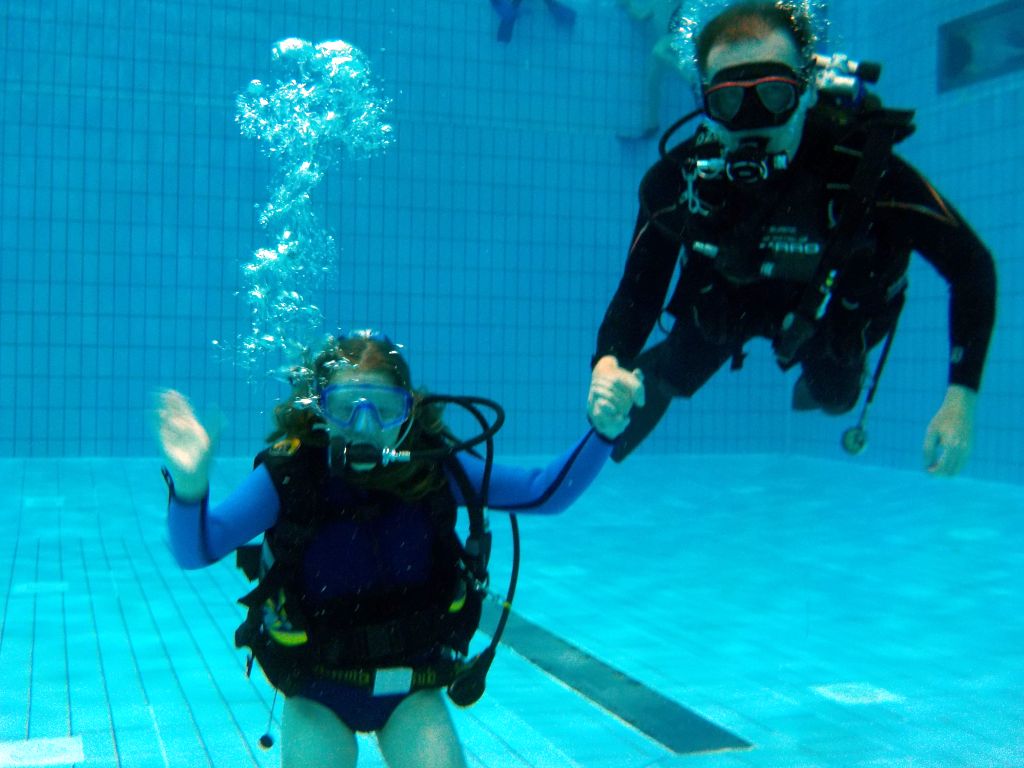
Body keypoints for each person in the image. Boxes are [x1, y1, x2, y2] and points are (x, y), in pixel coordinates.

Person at [157, 330, 617, 768]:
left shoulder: (434, 469)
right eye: (345, 408)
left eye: (384, 409)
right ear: (320, 410)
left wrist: (603, 432)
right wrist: (190, 486)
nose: (365, 427)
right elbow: (198, 550)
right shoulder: (294, 477)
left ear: (409, 411)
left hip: (412, 688)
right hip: (316, 689)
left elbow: (543, 493)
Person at [587, 0, 997, 476]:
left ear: (806, 92)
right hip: (733, 296)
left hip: (830, 305)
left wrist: (961, 397)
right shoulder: (679, 180)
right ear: (706, 103)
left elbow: (970, 265)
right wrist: (608, 363)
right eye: (730, 102)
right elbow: (640, 290)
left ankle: (825, 366)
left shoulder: (864, 169)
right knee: (677, 371)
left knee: (835, 394)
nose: (754, 121)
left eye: (775, 95)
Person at [617, 0, 687, 139]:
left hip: (675, 43)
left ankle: (690, 77)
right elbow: (641, 16)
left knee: (658, 52)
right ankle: (652, 124)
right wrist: (627, 6)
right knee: (652, 82)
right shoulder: (657, 3)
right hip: (665, 48)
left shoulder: (684, 5)